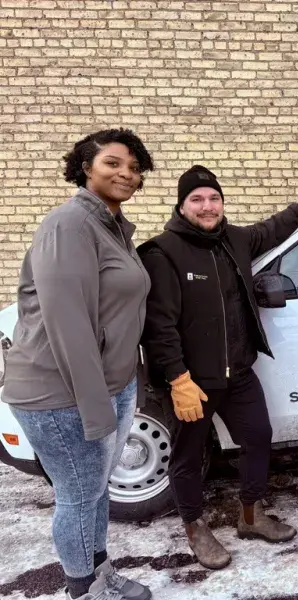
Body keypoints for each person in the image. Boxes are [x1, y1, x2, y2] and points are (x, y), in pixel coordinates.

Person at [138, 166, 298, 569]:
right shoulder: (162, 252)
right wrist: (178, 379)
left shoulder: (234, 239)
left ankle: (250, 515)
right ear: (182, 206)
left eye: (213, 198)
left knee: (258, 438)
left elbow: (271, 230)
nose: (207, 206)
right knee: (188, 455)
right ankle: (195, 527)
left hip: (239, 372)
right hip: (193, 382)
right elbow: (159, 325)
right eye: (197, 199)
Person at [2, 129, 154, 600]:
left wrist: (125, 382)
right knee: (78, 495)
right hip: (61, 392)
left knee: (94, 491)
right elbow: (68, 324)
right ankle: (84, 588)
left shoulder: (111, 226)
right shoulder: (68, 226)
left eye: (133, 167)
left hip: (109, 383)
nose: (125, 174)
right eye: (113, 163)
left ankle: (101, 572)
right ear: (86, 167)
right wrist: (95, 407)